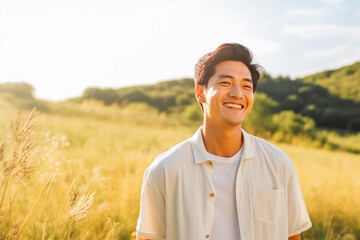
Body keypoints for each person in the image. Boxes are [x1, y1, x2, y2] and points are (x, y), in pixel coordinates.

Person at [136, 43, 311, 240]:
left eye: (247, 86)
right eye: (226, 83)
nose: (238, 93)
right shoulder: (165, 169)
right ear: (200, 93)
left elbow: (292, 236)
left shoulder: (278, 163)